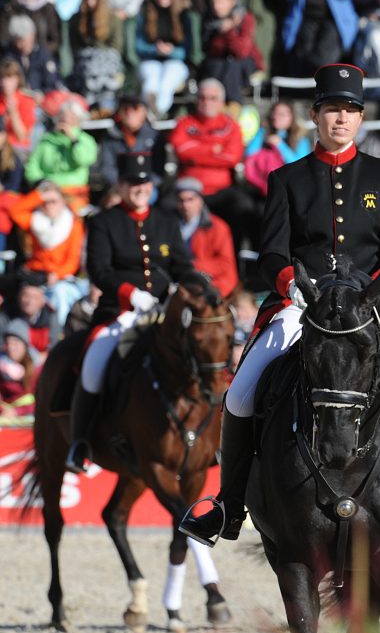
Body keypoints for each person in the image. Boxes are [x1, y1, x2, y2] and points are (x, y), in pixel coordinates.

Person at [179, 64, 380, 546]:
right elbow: (273, 253)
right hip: (305, 304)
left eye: (349, 111)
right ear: (314, 114)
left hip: (371, 305)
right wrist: (291, 284)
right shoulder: (288, 178)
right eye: (331, 110)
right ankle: (229, 506)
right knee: (240, 394)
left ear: (361, 118)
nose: (340, 119)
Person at [65, 152, 194, 472]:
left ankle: (209, 437)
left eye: (145, 182)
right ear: (120, 186)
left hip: (164, 310)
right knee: (95, 360)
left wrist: (185, 288)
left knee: (202, 351)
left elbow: (182, 264)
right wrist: (130, 294)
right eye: (132, 183)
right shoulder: (104, 221)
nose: (140, 188)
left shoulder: (165, 220)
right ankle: (80, 442)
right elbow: (98, 270)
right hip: (121, 311)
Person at [168, 79, 257, 252]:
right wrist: (213, 149)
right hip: (187, 189)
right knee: (163, 208)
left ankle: (238, 268)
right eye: (202, 97)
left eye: (213, 98)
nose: (207, 102)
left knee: (243, 206)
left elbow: (232, 157)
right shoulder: (184, 123)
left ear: (222, 102)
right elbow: (181, 149)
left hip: (221, 190)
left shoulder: (231, 126)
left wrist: (196, 151)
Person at [6, 180, 87, 325]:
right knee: (24, 294)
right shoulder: (36, 221)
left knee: (60, 293)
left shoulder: (73, 224)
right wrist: (39, 195)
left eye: (54, 201)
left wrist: (57, 274)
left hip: (58, 277)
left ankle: (58, 332)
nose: (49, 205)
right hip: (35, 274)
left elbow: (73, 260)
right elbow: (15, 211)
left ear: (63, 202)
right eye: (46, 202)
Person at [133, 0, 199, 115]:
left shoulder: (184, 15)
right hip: (151, 60)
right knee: (151, 83)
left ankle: (155, 114)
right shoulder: (146, 13)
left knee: (166, 83)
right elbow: (138, 45)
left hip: (176, 62)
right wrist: (155, 49)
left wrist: (171, 51)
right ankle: (149, 112)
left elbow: (189, 49)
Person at [24, 99, 97, 211]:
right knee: (22, 210)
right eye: (63, 116)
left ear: (78, 119)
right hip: (46, 189)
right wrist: (42, 181)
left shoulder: (85, 140)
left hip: (73, 191)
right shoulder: (46, 140)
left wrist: (73, 140)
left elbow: (82, 160)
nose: (65, 119)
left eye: (71, 117)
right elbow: (32, 166)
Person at [175, 177, 238, 300]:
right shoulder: (170, 223)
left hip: (211, 283)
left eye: (190, 199)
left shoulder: (218, 227)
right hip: (179, 281)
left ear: (200, 200)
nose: (185, 205)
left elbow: (225, 264)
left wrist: (192, 265)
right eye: (181, 200)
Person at [201, 0, 264, 104]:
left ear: (232, 1)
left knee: (232, 65)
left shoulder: (245, 18)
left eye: (220, 1)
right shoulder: (210, 21)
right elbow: (212, 50)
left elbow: (241, 51)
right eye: (213, 2)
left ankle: (233, 104)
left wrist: (229, 31)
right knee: (215, 65)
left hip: (244, 62)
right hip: (219, 62)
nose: (216, 6)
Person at [67, 0, 124, 112]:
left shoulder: (112, 19)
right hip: (85, 63)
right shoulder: (77, 19)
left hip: (108, 63)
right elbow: (75, 47)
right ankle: (88, 104)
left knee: (107, 77)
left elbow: (116, 47)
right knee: (88, 71)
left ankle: (106, 107)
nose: (90, 2)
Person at [98, 95, 161, 193]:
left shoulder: (155, 137)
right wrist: (123, 187)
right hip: (119, 189)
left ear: (144, 112)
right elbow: (107, 168)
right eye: (126, 108)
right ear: (119, 112)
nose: (129, 112)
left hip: (148, 188)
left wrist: (144, 186)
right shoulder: (110, 137)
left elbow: (159, 170)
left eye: (135, 108)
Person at [0, 58, 36, 155]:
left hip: (17, 148)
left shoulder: (26, 101)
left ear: (18, 79)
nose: (5, 82)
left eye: (9, 78)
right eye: (2, 78)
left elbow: (22, 136)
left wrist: (13, 112)